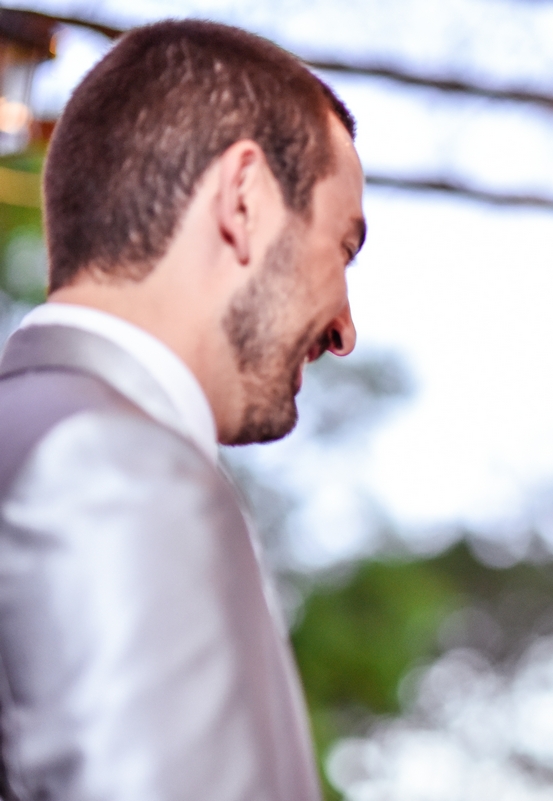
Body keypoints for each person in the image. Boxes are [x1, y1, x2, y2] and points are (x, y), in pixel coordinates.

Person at [0, 20, 363, 800]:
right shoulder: (108, 465)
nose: (345, 327)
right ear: (245, 197)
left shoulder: (30, 431)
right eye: (344, 246)